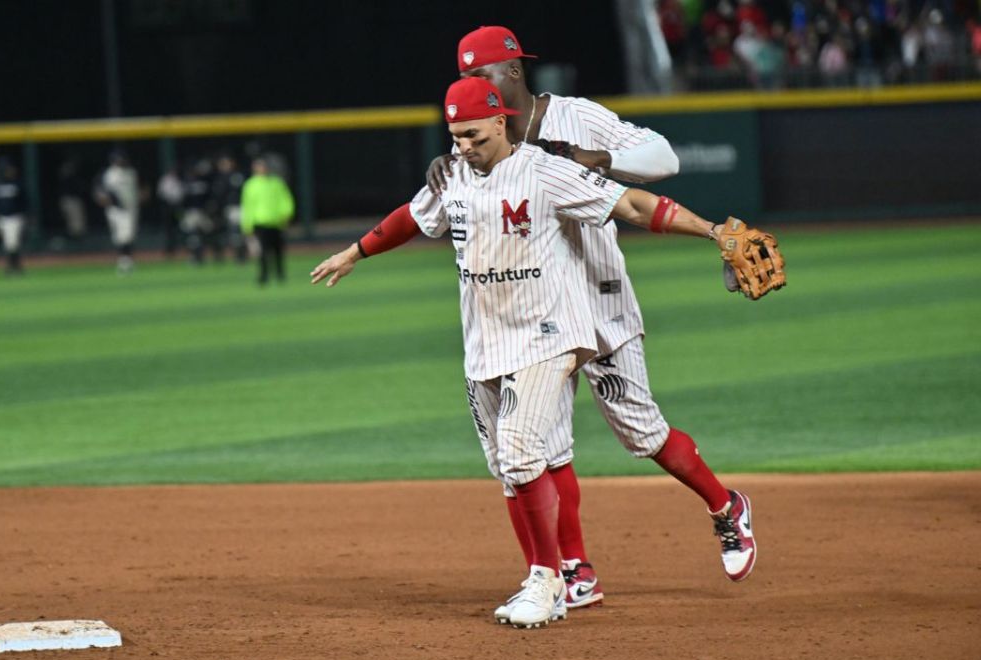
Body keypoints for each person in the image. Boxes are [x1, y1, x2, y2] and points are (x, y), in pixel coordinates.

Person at [323, 26, 759, 619]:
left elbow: (662, 161)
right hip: (529, 316)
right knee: (543, 447)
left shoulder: (574, 120)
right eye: (467, 83)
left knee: (641, 433)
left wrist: (608, 162)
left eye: (482, 78)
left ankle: (724, 506)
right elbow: (421, 208)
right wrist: (374, 234)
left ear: (514, 72)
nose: (475, 88)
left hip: (599, 299)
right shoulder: (467, 152)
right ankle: (572, 571)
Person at [240, 157, 294, 285]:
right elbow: (247, 205)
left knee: (278, 250)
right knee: (262, 252)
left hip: (276, 222)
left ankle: (280, 274)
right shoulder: (250, 185)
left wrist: (286, 214)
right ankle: (263, 276)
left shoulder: (276, 183)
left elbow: (286, 200)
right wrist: (247, 225)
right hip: (260, 222)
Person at [95, 150, 140, 275]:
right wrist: (101, 197)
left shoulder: (131, 172)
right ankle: (124, 261)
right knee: (119, 237)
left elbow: (139, 189)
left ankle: (126, 261)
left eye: (122, 159)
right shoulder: (108, 174)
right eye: (118, 159)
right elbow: (99, 190)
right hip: (114, 209)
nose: (120, 161)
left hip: (129, 208)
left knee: (127, 235)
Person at [0, 158, 27, 276]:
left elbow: (25, 201)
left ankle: (10, 266)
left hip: (15, 217)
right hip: (1, 218)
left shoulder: (18, 183)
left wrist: (26, 215)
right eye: (8, 169)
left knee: (11, 242)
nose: (11, 171)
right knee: (9, 244)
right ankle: (16, 266)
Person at [210, 152, 248, 264]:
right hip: (225, 209)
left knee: (238, 233)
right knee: (228, 233)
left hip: (238, 207)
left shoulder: (238, 175)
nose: (224, 166)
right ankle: (225, 255)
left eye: (226, 163)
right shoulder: (218, 177)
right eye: (222, 164)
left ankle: (241, 256)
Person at [156, 166, 184, 259]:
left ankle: (177, 248)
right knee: (168, 230)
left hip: (177, 207)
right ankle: (169, 250)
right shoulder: (165, 180)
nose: (174, 172)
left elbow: (180, 194)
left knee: (178, 228)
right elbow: (161, 193)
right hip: (167, 207)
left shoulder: (179, 180)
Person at [57, 157, 88, 240]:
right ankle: (73, 238)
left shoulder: (75, 178)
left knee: (78, 221)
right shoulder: (65, 179)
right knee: (71, 221)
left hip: (74, 200)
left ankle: (77, 238)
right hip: (68, 200)